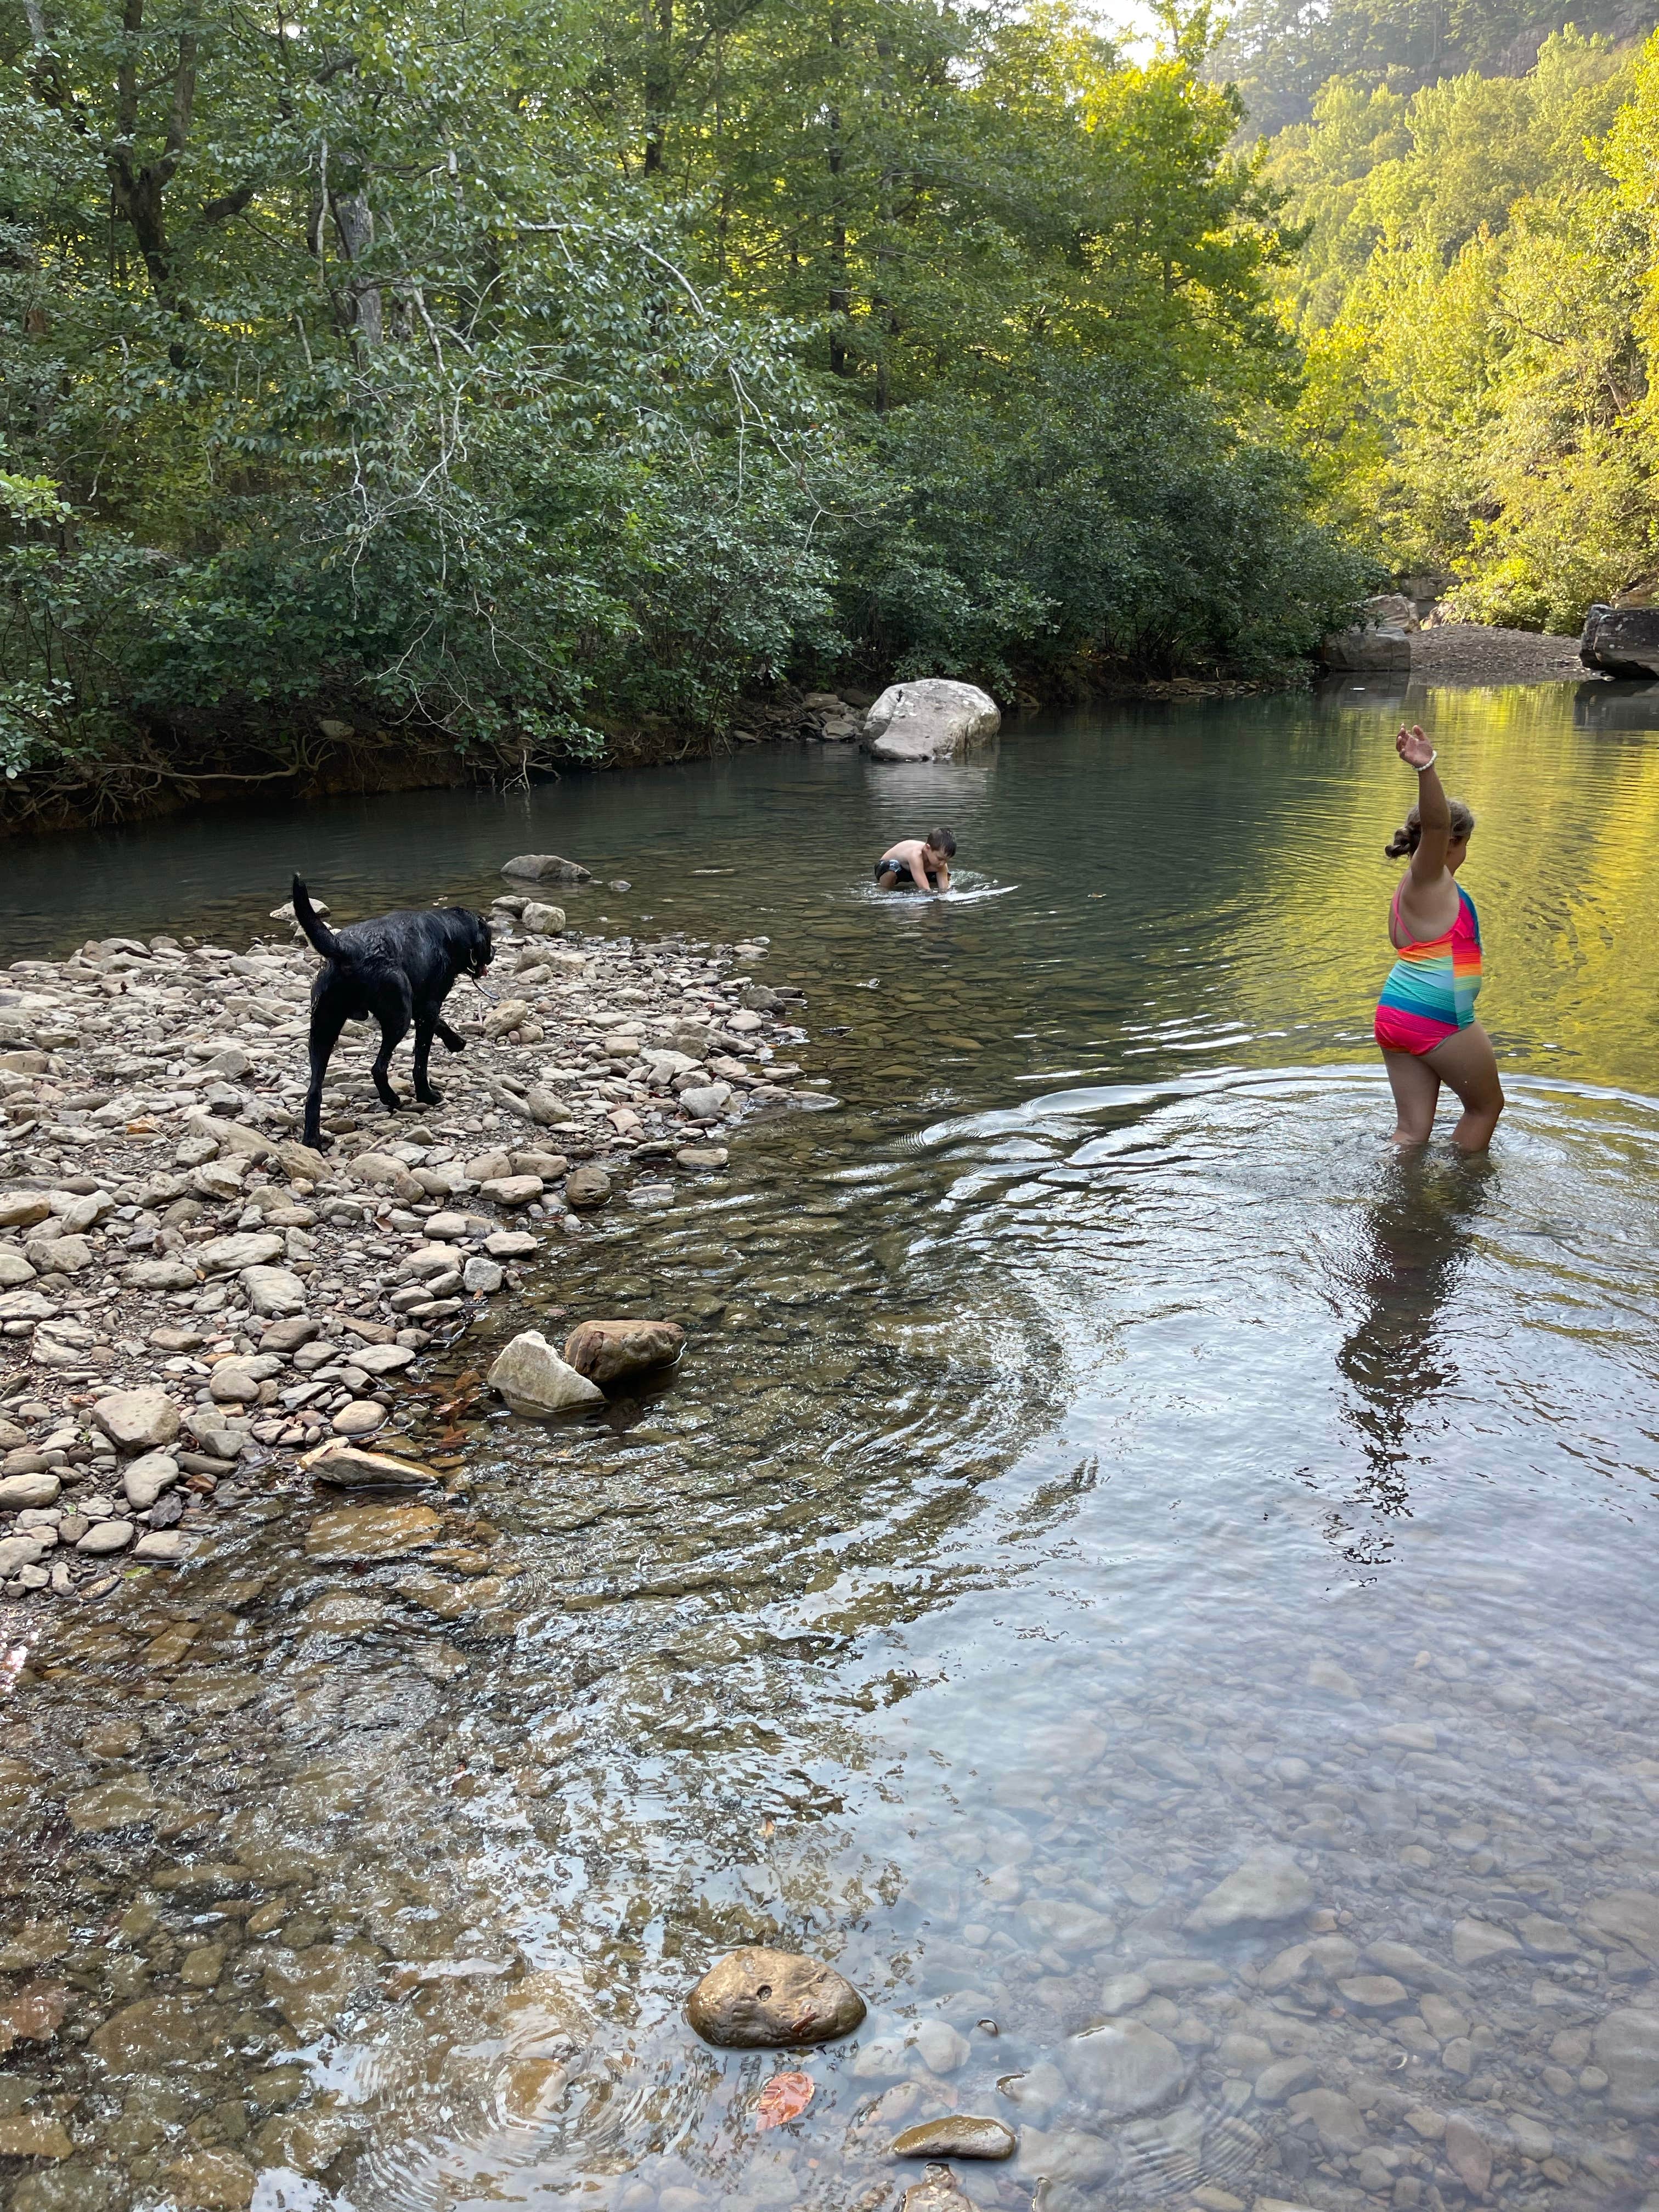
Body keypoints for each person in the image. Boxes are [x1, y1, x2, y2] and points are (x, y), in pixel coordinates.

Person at [1374, 725, 1504, 1153]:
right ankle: (1457, 1205)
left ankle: (1400, 1209)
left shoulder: (1414, 891)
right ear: (1455, 842)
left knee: (1412, 1133)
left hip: (1399, 1013)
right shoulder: (1429, 878)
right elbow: (1435, 825)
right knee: (1485, 1108)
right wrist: (1426, 768)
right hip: (1437, 1016)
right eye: (1463, 844)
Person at [876, 828, 955, 893]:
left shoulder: (941, 863)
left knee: (945, 876)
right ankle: (883, 890)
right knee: (893, 867)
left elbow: (945, 889)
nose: (942, 863)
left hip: (911, 872)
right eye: (940, 859)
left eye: (946, 860)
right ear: (927, 848)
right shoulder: (916, 855)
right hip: (888, 868)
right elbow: (925, 889)